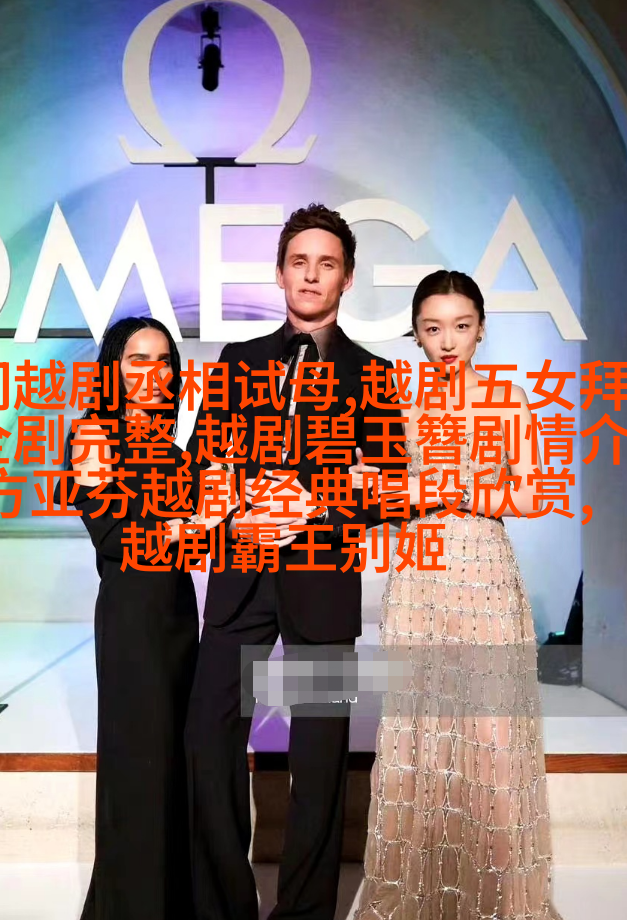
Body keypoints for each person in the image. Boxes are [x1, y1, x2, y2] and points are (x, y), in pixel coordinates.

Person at [184, 204, 405, 920]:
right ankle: (224, 905)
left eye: (326, 264)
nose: (311, 275)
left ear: (347, 278)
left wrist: (314, 508)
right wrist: (237, 507)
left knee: (319, 758)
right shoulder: (238, 360)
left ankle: (305, 914)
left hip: (320, 582)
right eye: (299, 262)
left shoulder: (372, 375)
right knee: (208, 733)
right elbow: (201, 461)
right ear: (279, 273)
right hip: (241, 580)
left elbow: (391, 487)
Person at [350, 270, 563, 919]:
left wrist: (461, 490)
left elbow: (533, 492)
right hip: (418, 580)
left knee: (492, 740)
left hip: (485, 576)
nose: (447, 341)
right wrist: (411, 491)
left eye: (461, 326)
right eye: (433, 328)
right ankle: (418, 897)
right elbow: (366, 488)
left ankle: (496, 900)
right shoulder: (395, 401)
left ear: (480, 329)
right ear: (415, 334)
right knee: (419, 738)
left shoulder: (506, 399)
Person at [59, 317, 232, 920]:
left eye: (164, 361)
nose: (153, 373)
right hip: (132, 619)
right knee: (139, 763)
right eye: (138, 359)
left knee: (172, 762)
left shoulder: (176, 452)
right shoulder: (92, 435)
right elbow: (114, 535)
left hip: (179, 616)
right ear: (113, 368)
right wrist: (189, 526)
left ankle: (171, 901)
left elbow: (204, 535)